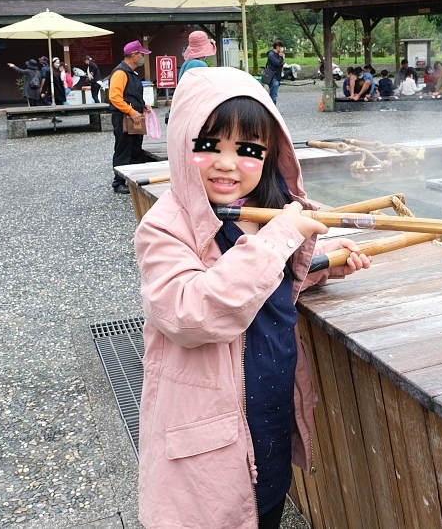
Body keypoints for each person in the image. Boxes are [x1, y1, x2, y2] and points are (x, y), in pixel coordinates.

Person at [133, 67, 371, 529]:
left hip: (269, 421)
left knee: (266, 510)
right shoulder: (165, 228)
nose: (227, 162)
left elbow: (261, 289)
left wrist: (321, 264)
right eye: (210, 146)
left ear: (269, 154)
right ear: (184, 147)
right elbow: (192, 311)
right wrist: (279, 237)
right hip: (208, 444)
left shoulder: (260, 214)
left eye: (247, 150)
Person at [109, 40, 153, 195]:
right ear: (134, 55)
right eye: (141, 54)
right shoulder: (121, 72)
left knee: (135, 149)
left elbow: (130, 94)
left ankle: (133, 179)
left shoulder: (130, 72)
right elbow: (114, 97)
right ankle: (118, 182)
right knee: (123, 149)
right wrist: (131, 111)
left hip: (132, 117)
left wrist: (142, 105)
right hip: (123, 118)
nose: (142, 57)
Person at [264, 40, 285, 104]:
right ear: (277, 47)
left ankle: (271, 110)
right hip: (273, 76)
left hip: (277, 76)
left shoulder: (277, 54)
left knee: (273, 94)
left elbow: (280, 63)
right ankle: (272, 111)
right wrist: (281, 57)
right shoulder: (271, 54)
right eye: (281, 47)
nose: (281, 49)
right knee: (274, 95)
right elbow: (277, 63)